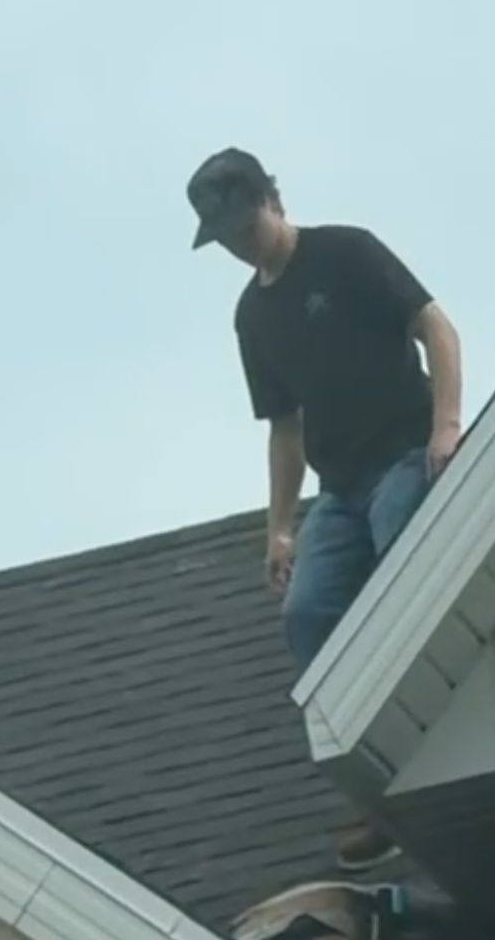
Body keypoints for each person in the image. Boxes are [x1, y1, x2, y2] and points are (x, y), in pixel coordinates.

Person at [188, 148, 463, 859]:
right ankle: (376, 791)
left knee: (400, 555)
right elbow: (284, 426)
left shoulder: (346, 253)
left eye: (246, 227)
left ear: (273, 200)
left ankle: (444, 733)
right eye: (226, 241)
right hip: (337, 491)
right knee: (307, 613)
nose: (241, 247)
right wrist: (279, 528)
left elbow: (436, 327)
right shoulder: (253, 316)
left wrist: (447, 426)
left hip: (405, 453)